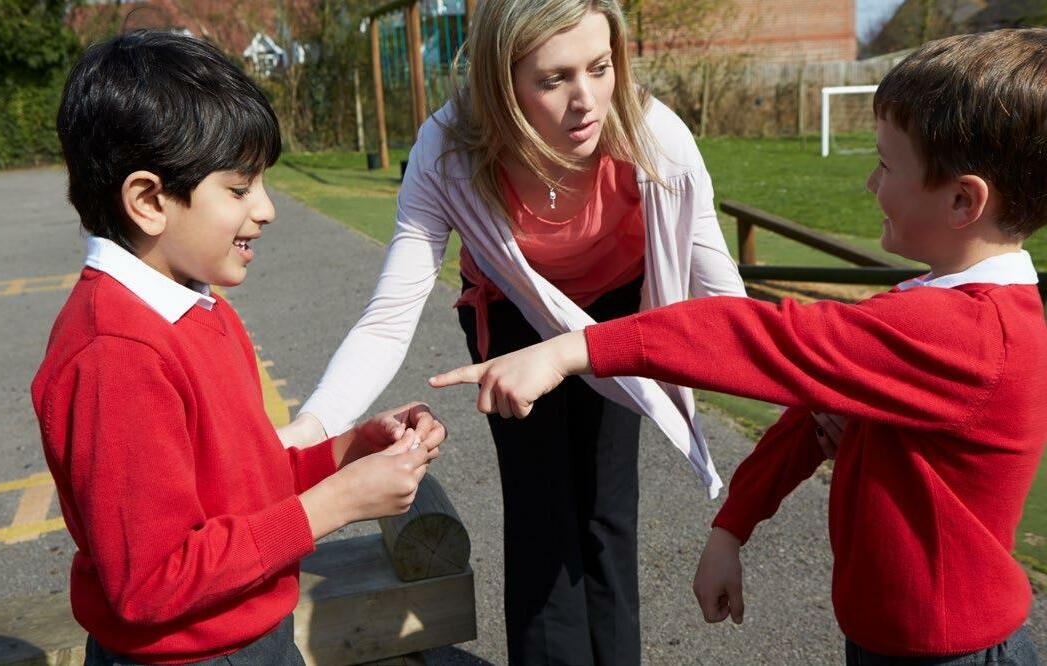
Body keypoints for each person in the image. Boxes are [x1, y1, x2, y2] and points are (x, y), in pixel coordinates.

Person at [430, 28, 1047, 664]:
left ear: (962, 200)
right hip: (893, 640)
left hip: (950, 654)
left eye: (887, 166)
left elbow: (761, 339)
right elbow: (811, 417)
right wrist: (732, 526)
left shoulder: (967, 335)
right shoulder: (930, 309)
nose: (871, 182)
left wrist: (567, 350)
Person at [277, 0, 745, 661]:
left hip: (614, 314)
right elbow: (388, 317)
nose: (586, 100)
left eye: (600, 68)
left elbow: (725, 300)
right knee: (541, 510)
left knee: (606, 508)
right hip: (512, 313)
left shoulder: (655, 137)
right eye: (553, 79)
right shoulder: (447, 150)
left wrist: (813, 395)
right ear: (501, 82)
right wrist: (309, 429)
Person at [31, 31, 445, 664]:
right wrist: (333, 506)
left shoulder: (199, 307)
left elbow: (243, 484)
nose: (266, 208)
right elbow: (151, 581)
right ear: (149, 201)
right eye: (239, 188)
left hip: (252, 632)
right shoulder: (116, 355)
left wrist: (347, 453)